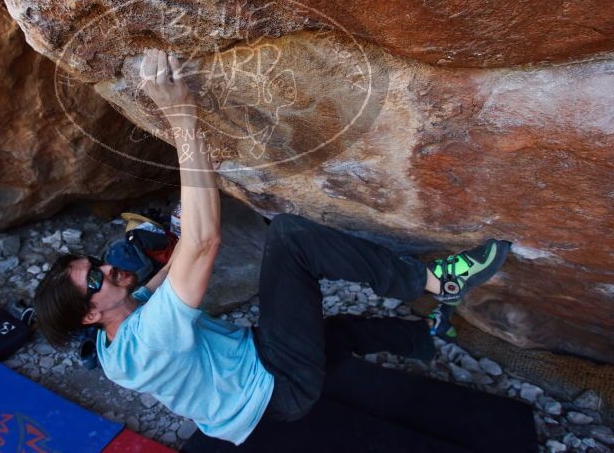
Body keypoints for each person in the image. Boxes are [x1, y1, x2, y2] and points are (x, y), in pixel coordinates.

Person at [34, 49, 511, 445]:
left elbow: (168, 272)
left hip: (255, 373)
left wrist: (177, 237)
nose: (111, 269)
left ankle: (428, 335)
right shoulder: (143, 345)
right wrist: (180, 114)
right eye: (97, 278)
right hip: (277, 388)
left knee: (337, 332)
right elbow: (204, 244)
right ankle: (436, 282)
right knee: (291, 239)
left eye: (98, 263)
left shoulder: (112, 334)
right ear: (89, 314)